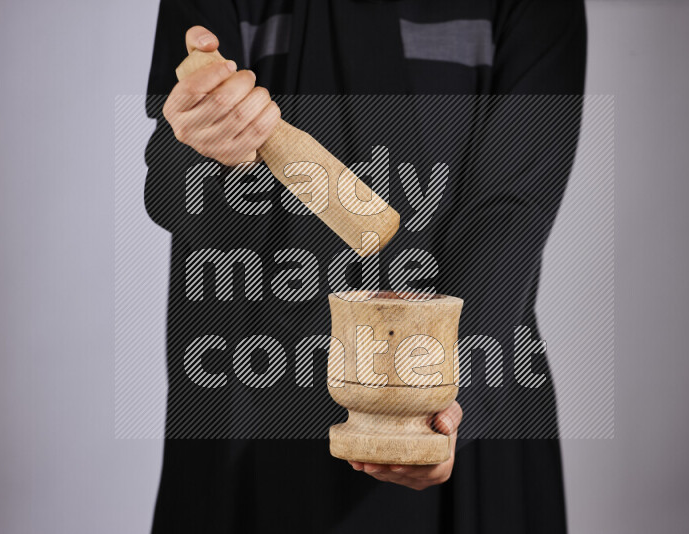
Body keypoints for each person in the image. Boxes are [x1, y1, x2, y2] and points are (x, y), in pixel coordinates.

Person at [144, 0, 586, 532]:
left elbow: (513, 209)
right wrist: (202, 151)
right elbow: (171, 191)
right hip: (250, 391)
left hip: (471, 376)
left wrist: (443, 405)